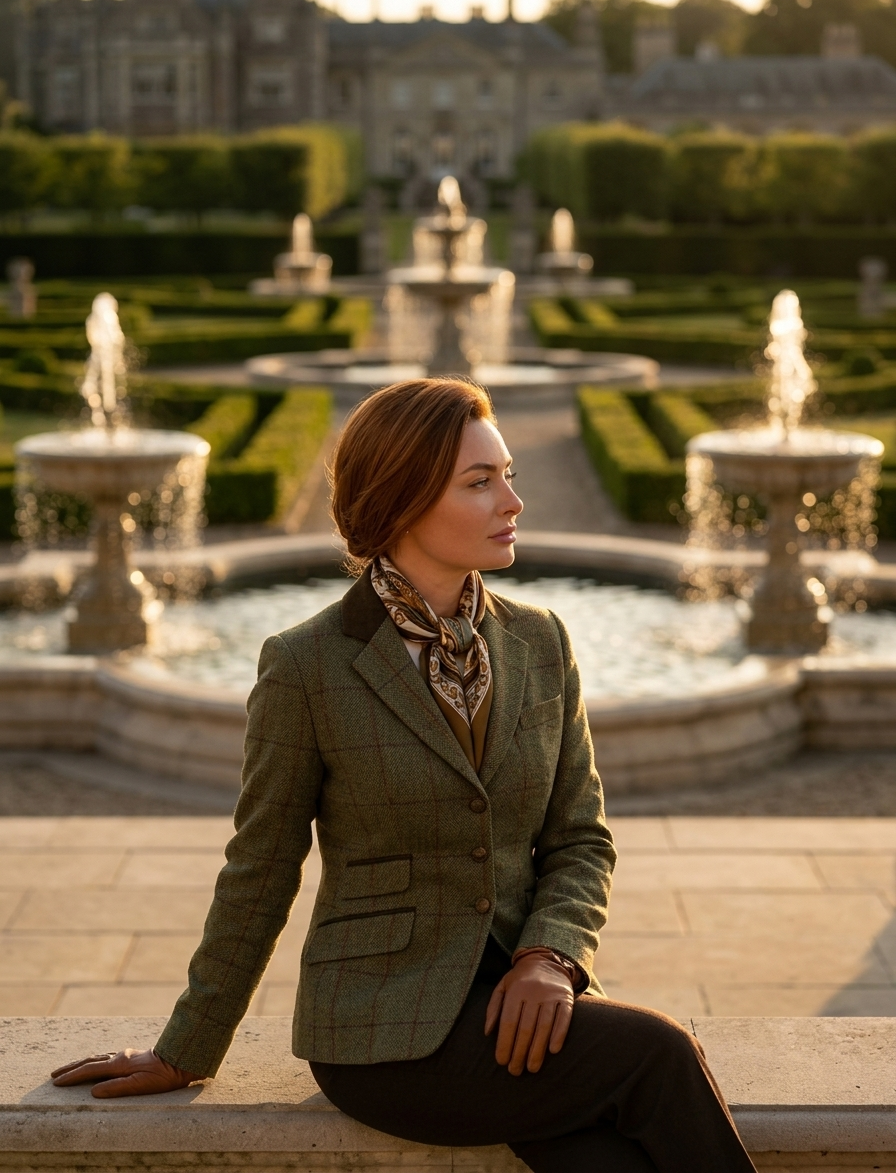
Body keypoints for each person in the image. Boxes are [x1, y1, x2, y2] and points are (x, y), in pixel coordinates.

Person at [51, 379, 756, 1173]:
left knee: (608, 1161)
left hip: (522, 1006)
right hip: (381, 1031)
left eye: (510, 475)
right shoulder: (307, 664)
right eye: (480, 483)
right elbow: (261, 867)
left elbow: (580, 840)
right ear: (403, 499)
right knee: (659, 1053)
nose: (514, 502)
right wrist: (187, 1047)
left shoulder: (542, 641)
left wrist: (550, 957)